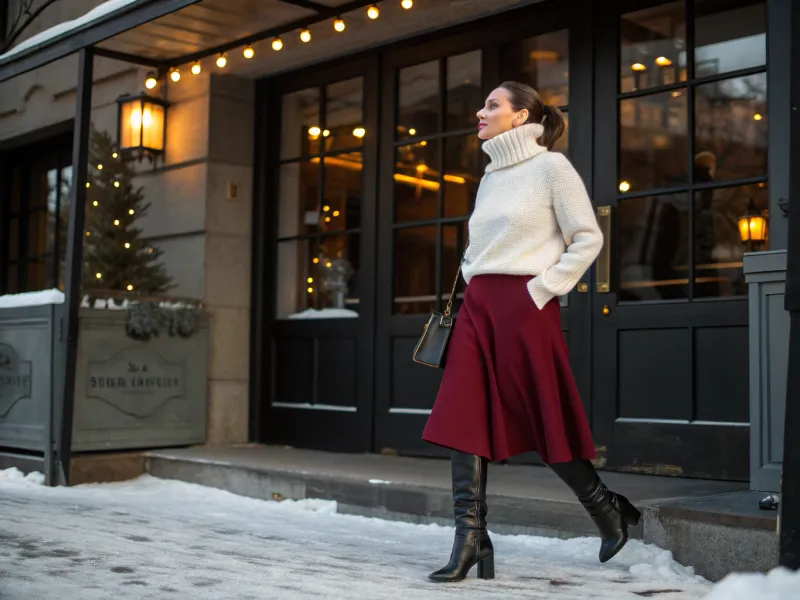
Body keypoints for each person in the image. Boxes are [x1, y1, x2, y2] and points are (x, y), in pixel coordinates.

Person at [422, 81, 641, 583]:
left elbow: (588, 237)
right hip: (479, 305)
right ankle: (470, 537)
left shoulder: (551, 168)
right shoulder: (490, 176)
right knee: (463, 414)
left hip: (526, 304)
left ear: (521, 117)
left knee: (543, 412)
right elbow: (481, 247)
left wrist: (543, 289)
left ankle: (605, 507)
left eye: (492, 105)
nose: (481, 112)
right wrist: (474, 278)